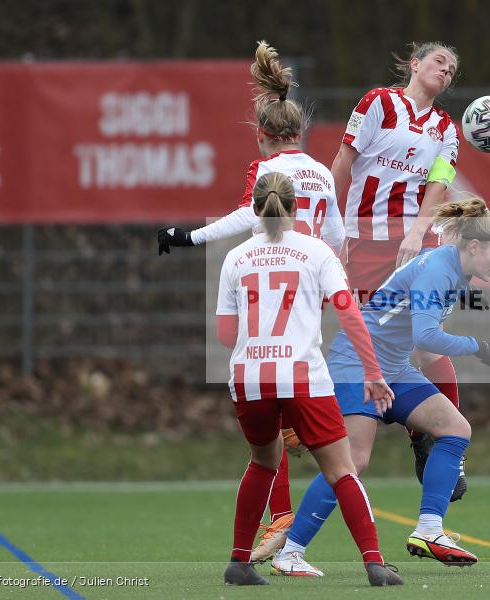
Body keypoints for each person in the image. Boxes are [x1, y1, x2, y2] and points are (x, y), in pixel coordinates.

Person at [157, 41, 345, 562]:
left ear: (261, 135)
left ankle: (281, 516)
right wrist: (331, 284)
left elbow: (245, 219)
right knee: (292, 406)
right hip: (310, 294)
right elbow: (337, 236)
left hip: (269, 292)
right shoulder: (324, 173)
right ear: (300, 133)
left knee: (265, 400)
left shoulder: (266, 174)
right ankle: (291, 513)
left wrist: (185, 237)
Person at [271, 198, 490, 577]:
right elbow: (428, 335)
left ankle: (430, 531)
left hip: (393, 367)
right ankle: (290, 552)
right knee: (352, 462)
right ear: (474, 246)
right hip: (358, 362)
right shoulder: (439, 269)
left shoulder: (456, 269)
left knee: (455, 429)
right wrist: (477, 347)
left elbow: (419, 335)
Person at [217, 170, 402, 587]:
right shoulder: (317, 252)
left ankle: (238, 561)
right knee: (341, 469)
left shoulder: (236, 257)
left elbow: (226, 334)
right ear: (298, 209)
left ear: (254, 208)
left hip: (250, 377)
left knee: (262, 462)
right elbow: (348, 312)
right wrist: (372, 372)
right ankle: (374, 563)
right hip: (304, 377)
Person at [329, 42, 468, 500]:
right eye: (438, 62)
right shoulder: (377, 103)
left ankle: (431, 441)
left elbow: (438, 185)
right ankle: (330, 430)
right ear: (415, 64)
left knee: (427, 338)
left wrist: (417, 234)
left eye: (451, 69)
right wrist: (327, 224)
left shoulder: (447, 128)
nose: (445, 71)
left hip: (417, 241)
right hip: (367, 239)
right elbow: (344, 162)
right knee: (367, 339)